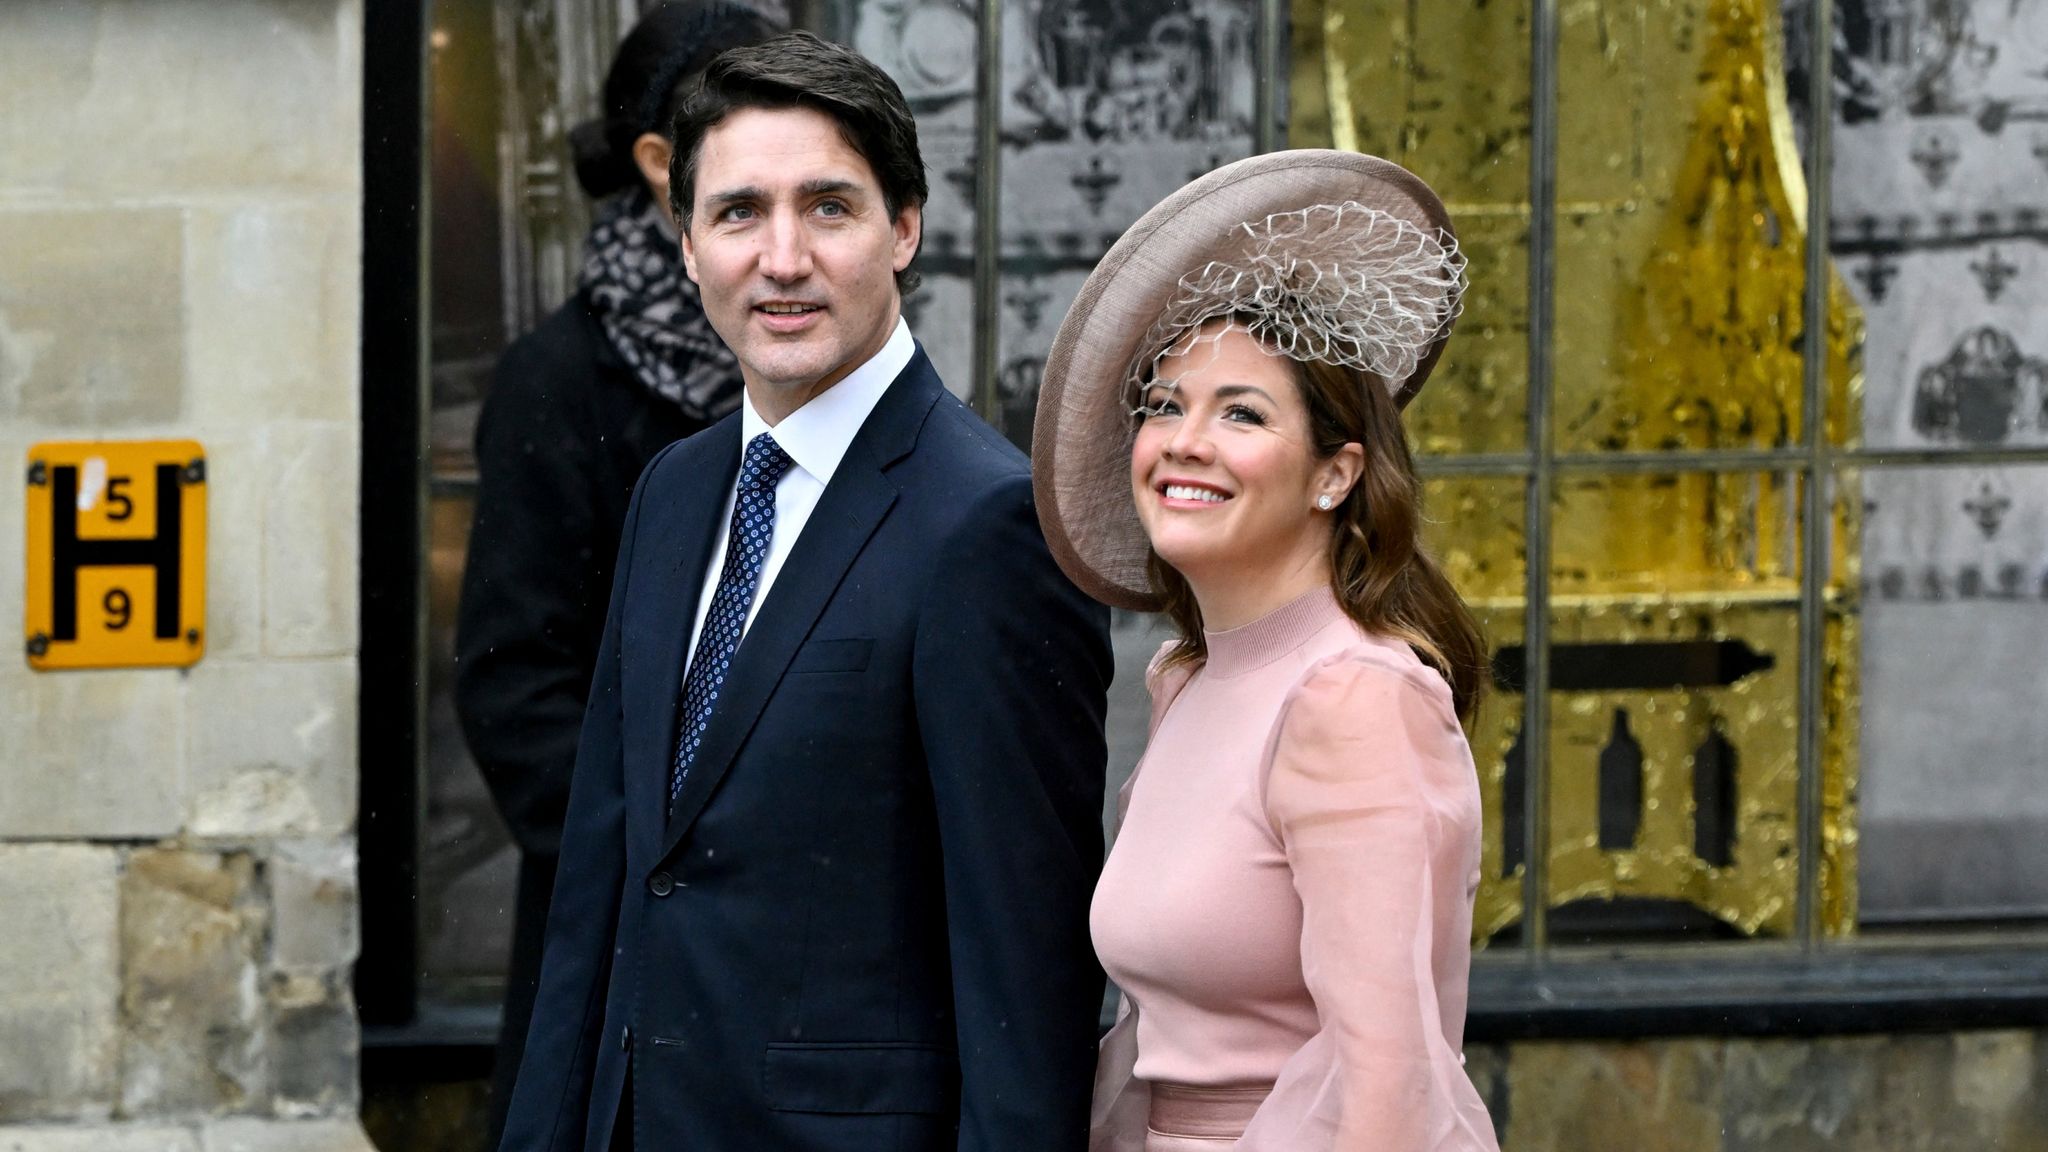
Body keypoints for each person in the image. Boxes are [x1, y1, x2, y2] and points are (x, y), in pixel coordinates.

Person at [497, 31, 1114, 1152]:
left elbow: (1025, 965)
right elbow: (601, 886)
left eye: (827, 207)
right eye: (738, 214)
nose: (780, 258)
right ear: (686, 245)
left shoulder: (990, 525)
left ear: (905, 229)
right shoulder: (673, 496)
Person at [1032, 150, 1501, 1151]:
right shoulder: (1186, 682)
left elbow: (1385, 1084)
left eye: (1239, 412)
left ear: (1336, 473)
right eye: (1163, 407)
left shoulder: (1353, 699)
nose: (1182, 440)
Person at [455, 5, 780, 1145]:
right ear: (658, 164)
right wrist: (654, 861)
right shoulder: (560, 382)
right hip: (617, 938)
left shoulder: (833, 361)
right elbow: (512, 681)